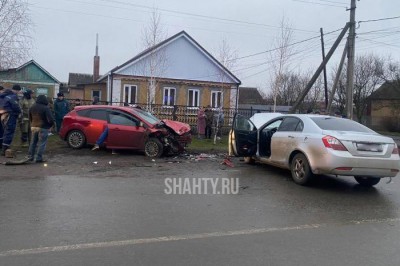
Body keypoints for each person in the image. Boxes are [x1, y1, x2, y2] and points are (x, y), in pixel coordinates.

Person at [27, 95, 54, 162]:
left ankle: (30, 157)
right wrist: (50, 125)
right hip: (43, 127)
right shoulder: (45, 108)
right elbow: (50, 119)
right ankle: (39, 158)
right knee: (42, 143)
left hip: (33, 126)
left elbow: (30, 117)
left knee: (33, 142)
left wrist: (32, 124)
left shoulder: (32, 107)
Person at [0, 84, 22, 156]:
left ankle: (3, 147)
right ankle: (5, 149)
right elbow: (15, 106)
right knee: (9, 131)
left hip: (3, 114)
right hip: (10, 114)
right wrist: (19, 111)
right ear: (16, 90)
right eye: (18, 91)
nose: (18, 92)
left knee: (3, 131)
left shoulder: (3, 95)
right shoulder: (12, 96)